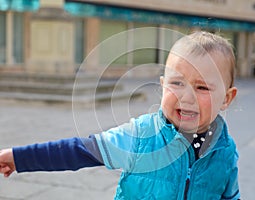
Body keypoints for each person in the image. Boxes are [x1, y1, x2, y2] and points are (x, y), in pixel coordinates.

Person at [0, 31, 240, 199]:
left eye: (202, 87)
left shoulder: (225, 151)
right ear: (162, 84)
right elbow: (77, 151)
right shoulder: (140, 136)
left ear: (226, 99)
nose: (186, 97)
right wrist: (19, 158)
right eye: (177, 83)